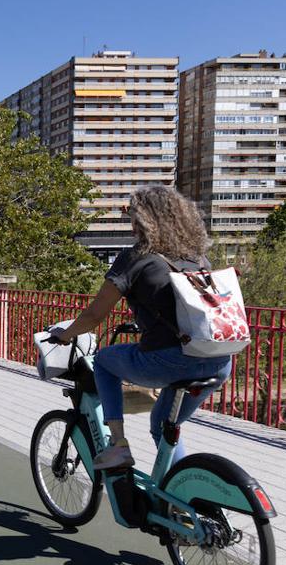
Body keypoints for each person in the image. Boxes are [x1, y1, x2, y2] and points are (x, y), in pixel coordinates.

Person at [49, 184, 232, 475]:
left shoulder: (135, 257)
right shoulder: (198, 259)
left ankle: (119, 445)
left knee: (105, 362)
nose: (131, 224)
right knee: (164, 426)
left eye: (133, 216)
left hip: (172, 359)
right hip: (219, 360)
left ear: (144, 220)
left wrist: (65, 334)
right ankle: (181, 495)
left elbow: (95, 315)